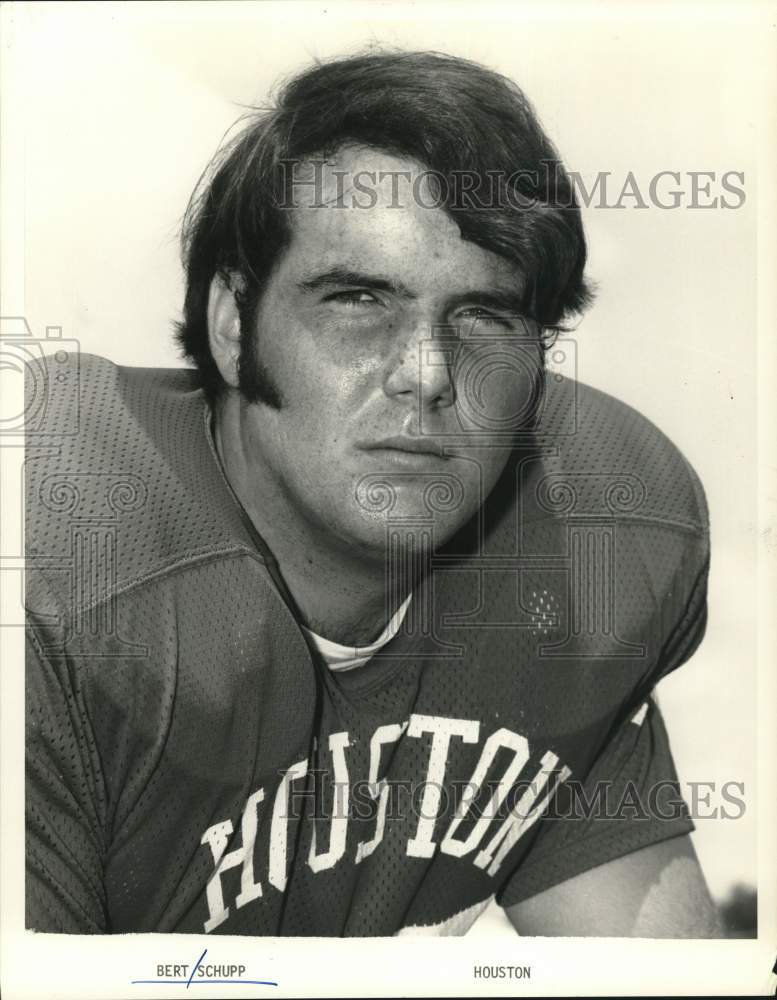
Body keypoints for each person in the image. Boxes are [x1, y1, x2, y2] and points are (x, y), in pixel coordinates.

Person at [24, 50, 721, 937]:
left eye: (484, 316)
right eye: (357, 300)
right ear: (234, 326)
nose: (427, 374)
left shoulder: (598, 526)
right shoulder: (62, 545)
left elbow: (658, 977)